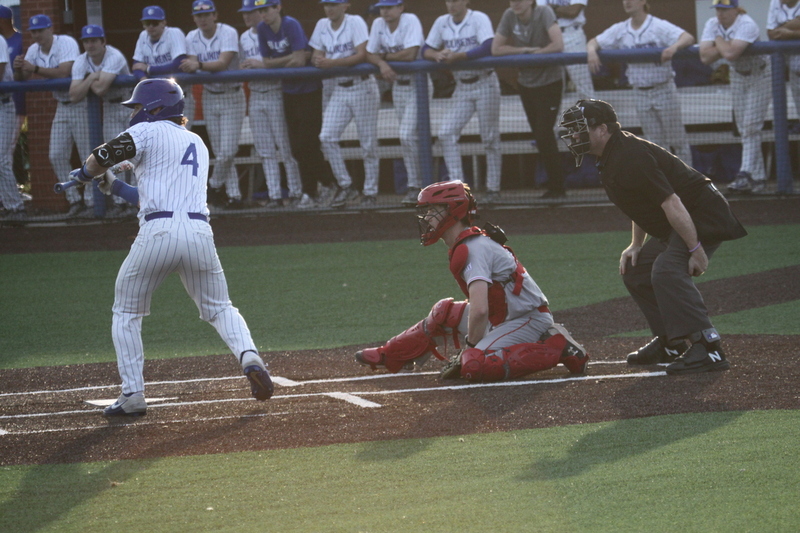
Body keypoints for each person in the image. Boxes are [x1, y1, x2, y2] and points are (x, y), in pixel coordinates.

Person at [67, 78, 273, 416]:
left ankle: (132, 394)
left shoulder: (147, 131)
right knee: (220, 308)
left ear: (154, 107)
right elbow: (152, 194)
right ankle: (249, 355)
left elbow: (101, 155)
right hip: (199, 233)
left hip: (158, 233)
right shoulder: (197, 142)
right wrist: (113, 185)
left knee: (127, 311)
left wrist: (87, 174)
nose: (133, 112)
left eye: (137, 106)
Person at [559, 99, 747, 374]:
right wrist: (636, 244)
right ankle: (672, 342)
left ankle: (708, 347)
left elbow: (671, 202)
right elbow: (641, 203)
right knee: (636, 269)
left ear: (602, 129)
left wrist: (695, 248)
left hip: (702, 215)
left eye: (579, 128)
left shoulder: (629, 156)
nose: (574, 136)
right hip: (682, 217)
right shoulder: (612, 154)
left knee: (667, 270)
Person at [355, 180, 589, 381]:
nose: (427, 217)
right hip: (503, 317)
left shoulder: (474, 248)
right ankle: (390, 355)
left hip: (528, 319)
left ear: (452, 211)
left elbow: (479, 310)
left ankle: (557, 346)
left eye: (432, 210)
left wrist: (469, 348)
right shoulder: (467, 244)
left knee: (474, 364)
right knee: (444, 312)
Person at [587, 0, 694, 164]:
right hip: (639, 92)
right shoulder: (621, 29)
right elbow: (593, 42)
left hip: (663, 89)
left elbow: (687, 37)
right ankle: (663, 180)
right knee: (655, 143)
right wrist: (591, 51)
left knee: (677, 140)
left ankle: (687, 179)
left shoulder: (657, 25)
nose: (627, 2)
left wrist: (673, 47)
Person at [256, 0, 336, 209]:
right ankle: (318, 188)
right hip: (288, 91)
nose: (263, 14)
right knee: (296, 148)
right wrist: (288, 58)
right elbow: (266, 63)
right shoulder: (262, 29)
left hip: (309, 89)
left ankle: (324, 186)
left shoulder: (290, 24)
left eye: (266, 9)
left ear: (277, 8)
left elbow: (300, 61)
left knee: (307, 144)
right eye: (260, 11)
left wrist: (279, 62)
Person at [423, 0, 502, 204]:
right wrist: (436, 54)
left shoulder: (478, 18)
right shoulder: (442, 22)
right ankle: (457, 190)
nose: (452, 4)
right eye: (449, 0)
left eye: (456, 0)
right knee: (445, 133)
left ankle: (493, 189)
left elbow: (488, 46)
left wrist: (459, 56)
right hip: (462, 86)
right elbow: (426, 49)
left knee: (489, 138)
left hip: (485, 82)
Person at [493, 0, 567, 200]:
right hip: (526, 84)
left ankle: (558, 187)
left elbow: (558, 44)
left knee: (544, 134)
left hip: (550, 82)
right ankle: (554, 186)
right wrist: (523, 51)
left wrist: (537, 54)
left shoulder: (544, 12)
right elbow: (496, 49)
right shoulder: (509, 15)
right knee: (539, 135)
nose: (516, 3)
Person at [310, 0, 381, 208]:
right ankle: (346, 185)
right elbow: (315, 54)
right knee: (326, 137)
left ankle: (370, 192)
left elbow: (362, 54)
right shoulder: (322, 24)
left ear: (345, 5)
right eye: (326, 4)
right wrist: (318, 60)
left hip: (362, 86)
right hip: (339, 88)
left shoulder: (355, 22)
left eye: (334, 4)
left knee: (368, 144)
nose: (329, 8)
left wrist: (332, 63)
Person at [14, 15, 84, 218]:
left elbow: (64, 72)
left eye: (40, 30)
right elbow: (22, 78)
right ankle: (75, 200)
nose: (37, 35)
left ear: (50, 29)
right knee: (56, 155)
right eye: (33, 31)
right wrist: (18, 69)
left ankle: (93, 202)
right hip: (61, 105)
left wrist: (34, 68)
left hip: (81, 102)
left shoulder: (66, 42)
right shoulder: (33, 49)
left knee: (89, 156)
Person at [699, 0, 770, 194]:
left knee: (751, 126)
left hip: (760, 74)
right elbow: (704, 57)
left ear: (736, 10)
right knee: (744, 128)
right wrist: (725, 44)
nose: (720, 14)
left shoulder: (746, 23)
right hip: (738, 75)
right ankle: (758, 178)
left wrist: (718, 40)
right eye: (718, 9)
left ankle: (744, 174)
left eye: (725, 9)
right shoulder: (712, 23)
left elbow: (730, 54)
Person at [238, 0, 302, 209]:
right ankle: (274, 195)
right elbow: (241, 65)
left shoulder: (275, 32)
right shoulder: (243, 37)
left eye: (252, 12)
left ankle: (296, 192)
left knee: (285, 147)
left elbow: (288, 60)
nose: (247, 16)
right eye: (245, 12)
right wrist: (245, 68)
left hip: (275, 91)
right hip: (256, 94)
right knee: (264, 149)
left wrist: (261, 66)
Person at [182, 0, 246, 209]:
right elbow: (191, 65)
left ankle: (213, 186)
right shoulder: (192, 36)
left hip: (232, 95)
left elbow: (222, 63)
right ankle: (234, 195)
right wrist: (196, 65)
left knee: (228, 150)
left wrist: (199, 64)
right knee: (220, 153)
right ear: (194, 18)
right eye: (199, 15)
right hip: (209, 95)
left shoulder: (228, 32)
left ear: (215, 15)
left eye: (207, 14)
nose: (203, 19)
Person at [69, 25, 136, 220]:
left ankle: (136, 201)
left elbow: (100, 89)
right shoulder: (81, 61)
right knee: (115, 156)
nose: (90, 45)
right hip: (109, 108)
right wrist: (92, 76)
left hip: (129, 107)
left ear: (103, 41)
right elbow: (73, 95)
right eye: (86, 41)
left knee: (135, 156)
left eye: (94, 41)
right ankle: (120, 204)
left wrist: (88, 82)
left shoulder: (114, 56)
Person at [366, 0, 427, 207]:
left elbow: (410, 54)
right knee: (408, 138)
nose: (385, 11)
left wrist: (383, 56)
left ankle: (419, 185)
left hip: (419, 85)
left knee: (407, 135)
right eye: (382, 8)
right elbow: (369, 53)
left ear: (401, 7)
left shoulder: (410, 20)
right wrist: (382, 63)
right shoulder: (378, 24)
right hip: (398, 86)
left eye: (390, 7)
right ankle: (415, 186)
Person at [131, 6, 192, 123]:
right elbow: (136, 66)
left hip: (179, 97)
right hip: (155, 101)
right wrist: (143, 80)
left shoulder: (174, 33)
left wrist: (149, 69)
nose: (150, 26)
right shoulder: (143, 36)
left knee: (178, 133)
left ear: (163, 22)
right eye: (147, 23)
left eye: (154, 23)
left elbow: (179, 64)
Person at [537, 0, 595, 99]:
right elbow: (540, 13)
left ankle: (590, 108)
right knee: (552, 85)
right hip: (550, 36)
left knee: (582, 82)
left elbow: (573, 12)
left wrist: (552, 8)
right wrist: (559, 9)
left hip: (572, 34)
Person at [0, 23, 24, 224]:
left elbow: (0, 73)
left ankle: (16, 207)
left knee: (2, 159)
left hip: (4, 105)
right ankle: (9, 205)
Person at [766, 0, 800, 131]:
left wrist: (789, 33)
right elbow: (771, 33)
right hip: (795, 73)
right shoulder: (775, 2)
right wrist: (795, 23)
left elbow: (777, 32)